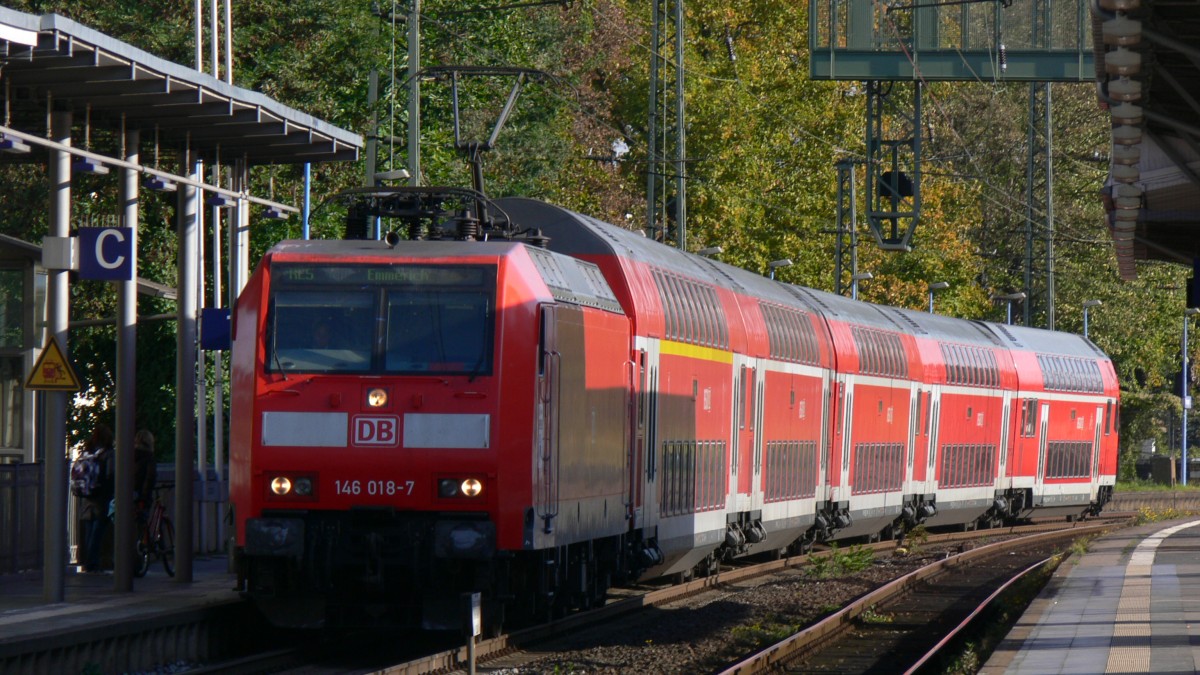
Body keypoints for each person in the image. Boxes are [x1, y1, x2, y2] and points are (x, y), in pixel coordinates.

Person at [80, 423, 115, 573]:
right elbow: (111, 475)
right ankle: (92, 563)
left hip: (87, 495)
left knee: (89, 530)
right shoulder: (108, 454)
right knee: (98, 531)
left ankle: (88, 561)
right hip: (102, 497)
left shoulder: (87, 452)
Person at [133, 429, 157, 521]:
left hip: (128, 495)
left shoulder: (129, 456)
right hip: (141, 496)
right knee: (141, 523)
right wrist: (144, 497)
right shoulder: (149, 457)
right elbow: (150, 477)